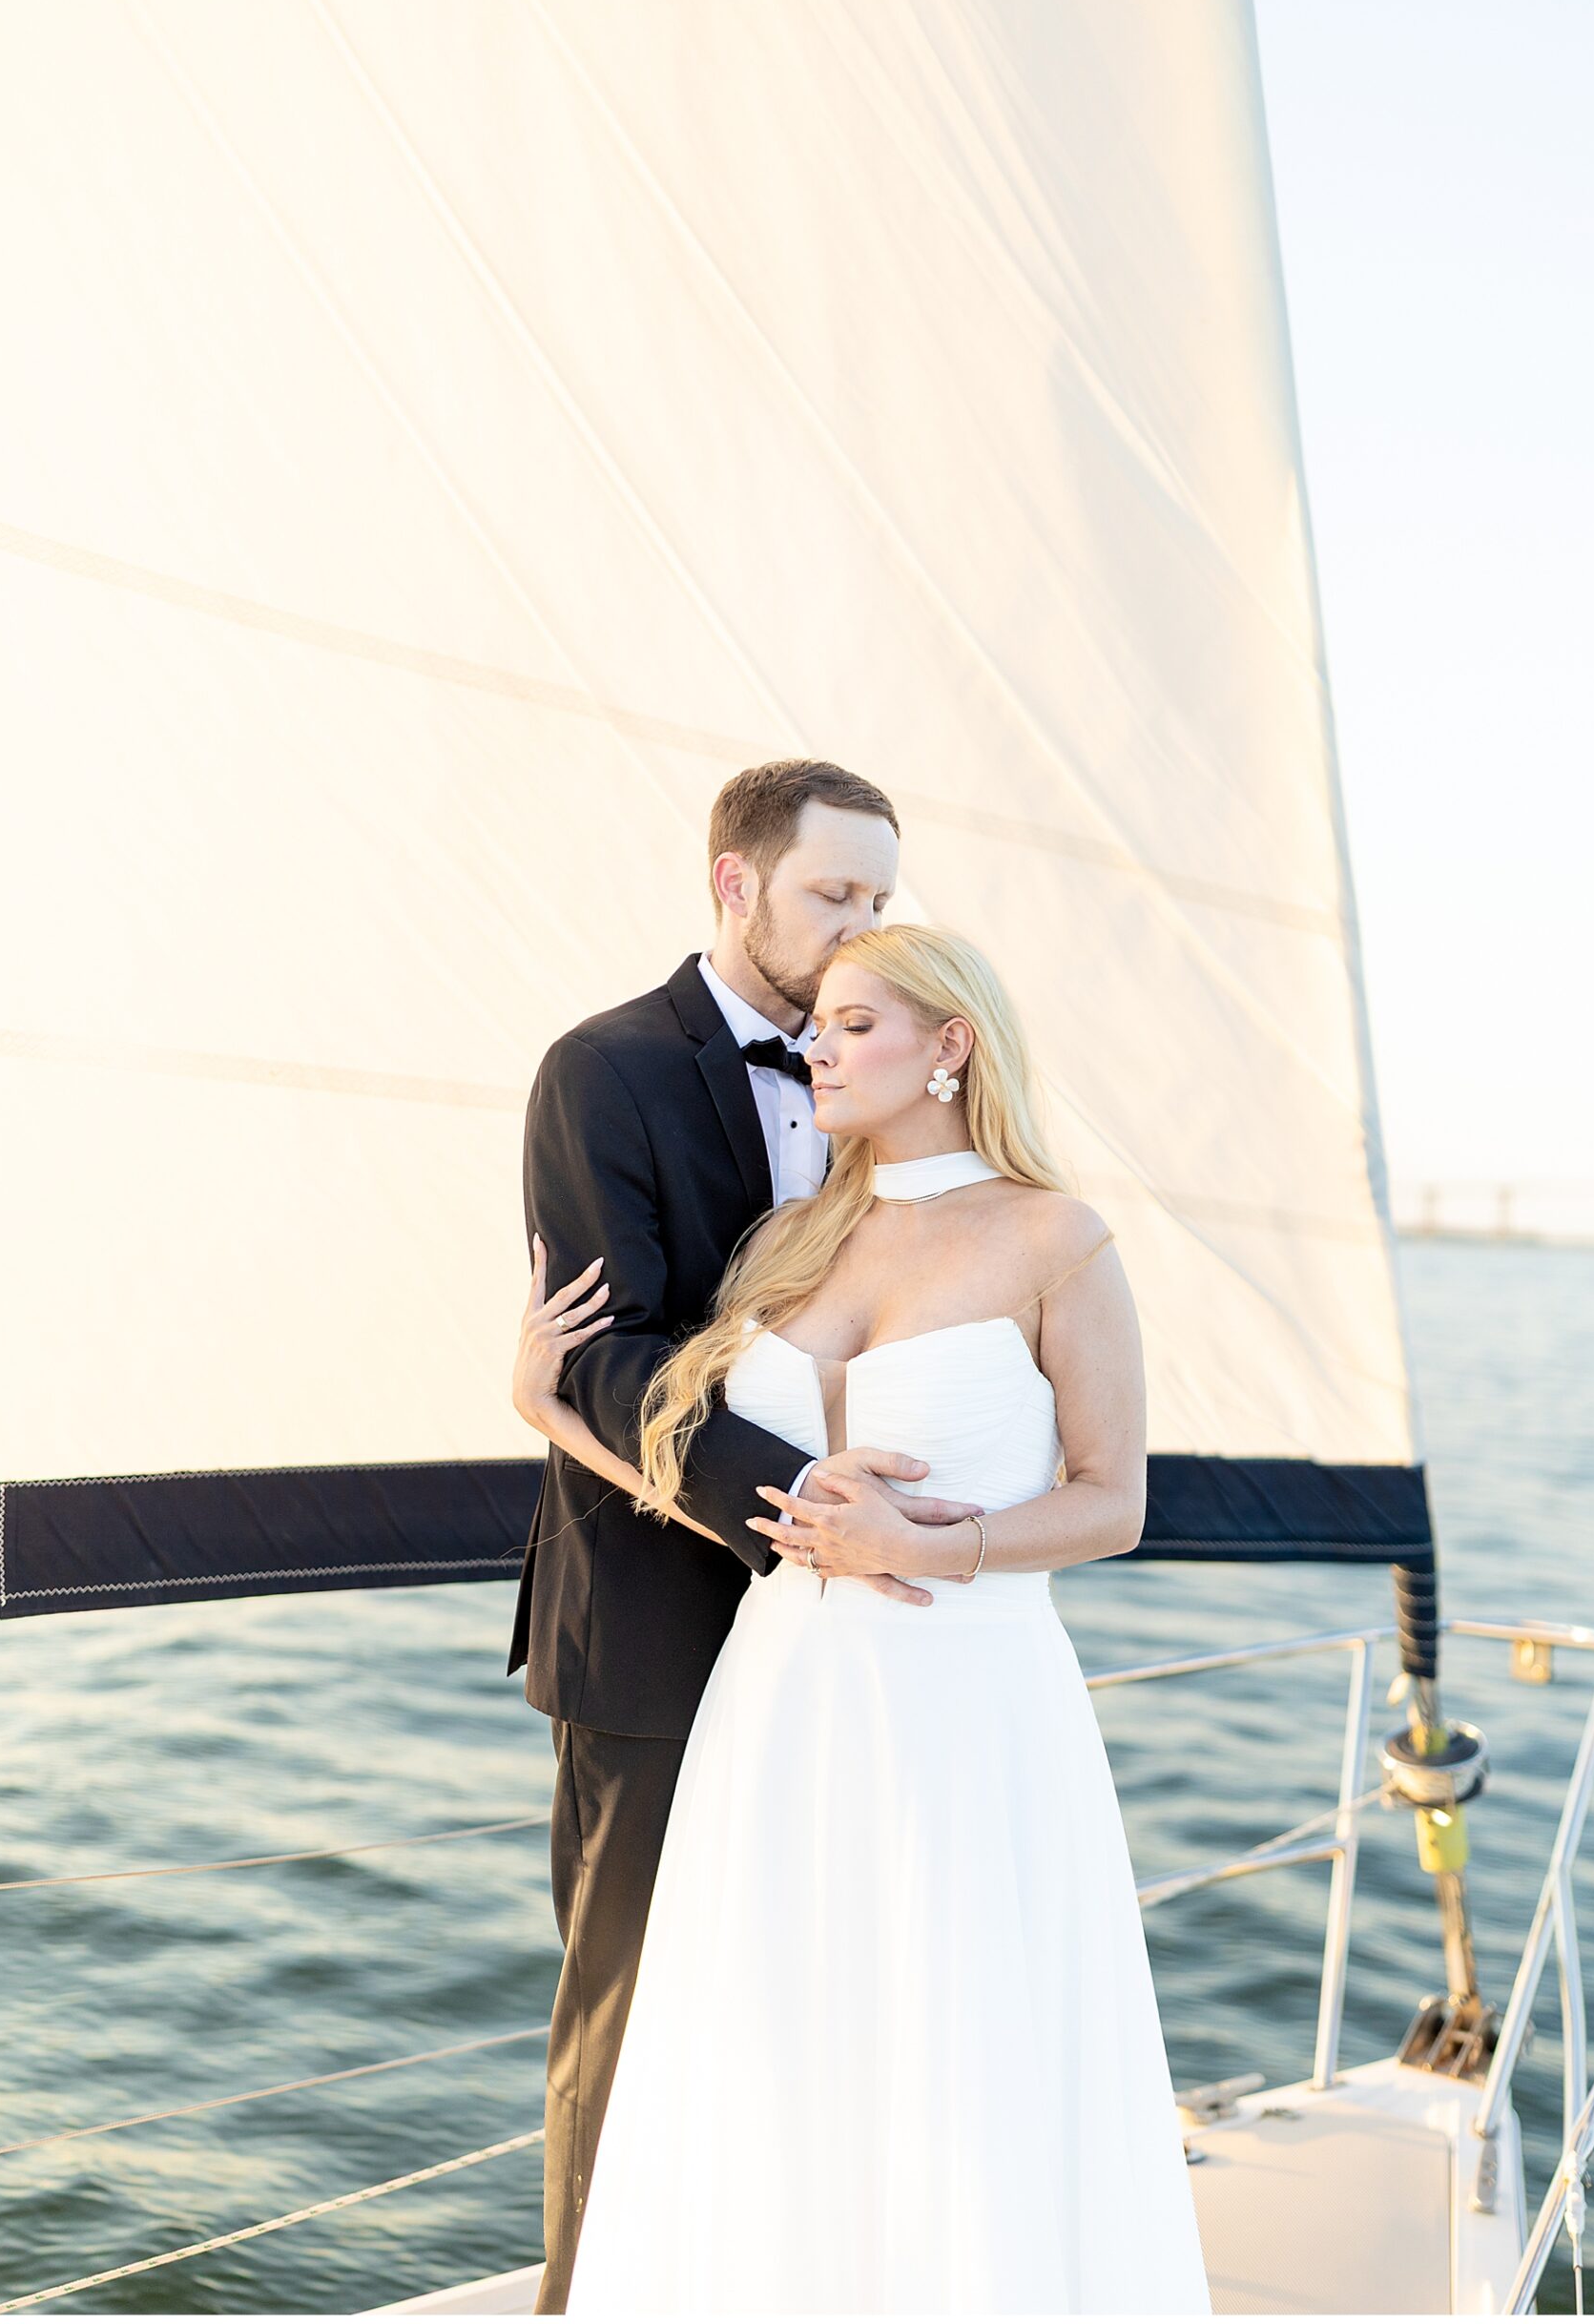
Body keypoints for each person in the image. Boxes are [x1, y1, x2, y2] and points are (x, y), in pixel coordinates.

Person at [512, 921, 1214, 2314]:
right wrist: (538, 1403)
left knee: (952, 2051)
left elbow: (1112, 1502)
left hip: (963, 1707)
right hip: (774, 1698)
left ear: (947, 1045)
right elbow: (713, 1487)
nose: (817, 1049)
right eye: (815, 1028)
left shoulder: (1053, 1238)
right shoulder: (788, 1239)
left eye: (851, 1026)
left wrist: (934, 1546)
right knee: (773, 2043)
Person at [509, 761, 982, 2314]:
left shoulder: (881, 1078)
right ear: (733, 883)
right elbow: (608, 1349)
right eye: (830, 895)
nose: (860, 926)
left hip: (852, 1643)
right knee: (632, 2016)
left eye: (877, 900)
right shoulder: (602, 1072)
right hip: (652, 1624)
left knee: (827, 1997)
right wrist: (814, 1509)